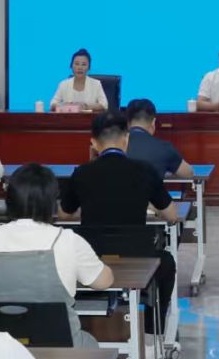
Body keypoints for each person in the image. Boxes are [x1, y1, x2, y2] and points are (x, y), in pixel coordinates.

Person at [63, 112, 181, 334]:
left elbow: (64, 214)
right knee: (166, 262)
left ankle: (83, 327)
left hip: (93, 257)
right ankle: (152, 330)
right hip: (137, 257)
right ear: (126, 139)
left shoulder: (81, 172)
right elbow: (172, 216)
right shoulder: (145, 171)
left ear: (93, 143)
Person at [0, 165, 113, 347]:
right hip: (61, 347)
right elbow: (103, 282)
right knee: (91, 345)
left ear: (9, 199)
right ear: (51, 201)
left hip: (2, 348)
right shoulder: (67, 240)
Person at [125, 99, 195, 178]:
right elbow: (189, 173)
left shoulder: (115, 145)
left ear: (128, 123)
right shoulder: (164, 148)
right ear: (153, 122)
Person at [50, 48, 110, 113]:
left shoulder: (96, 84)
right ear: (71, 66)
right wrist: (66, 105)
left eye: (83, 64)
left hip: (90, 118)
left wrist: (86, 106)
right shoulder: (64, 84)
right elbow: (52, 104)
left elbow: (104, 105)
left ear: (89, 67)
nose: (80, 67)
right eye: (77, 64)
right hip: (68, 118)